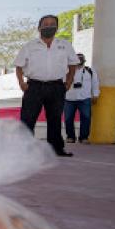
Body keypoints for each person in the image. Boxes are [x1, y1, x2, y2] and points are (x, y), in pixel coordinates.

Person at [15, 15, 79, 157]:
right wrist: (21, 82)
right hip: (34, 87)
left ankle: (56, 148)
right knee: (28, 119)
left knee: (55, 119)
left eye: (52, 24)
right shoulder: (30, 46)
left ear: (56, 27)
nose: (49, 26)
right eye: (45, 24)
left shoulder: (65, 45)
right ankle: (24, 151)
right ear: (39, 27)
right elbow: (19, 66)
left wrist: (68, 82)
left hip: (57, 87)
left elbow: (73, 64)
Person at [64, 53, 100, 144]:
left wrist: (95, 95)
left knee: (86, 118)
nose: (79, 61)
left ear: (84, 61)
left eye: (81, 59)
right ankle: (70, 137)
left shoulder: (90, 71)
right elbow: (62, 83)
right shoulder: (66, 71)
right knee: (68, 119)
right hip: (69, 98)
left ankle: (84, 137)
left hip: (85, 98)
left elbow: (95, 83)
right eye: (77, 59)